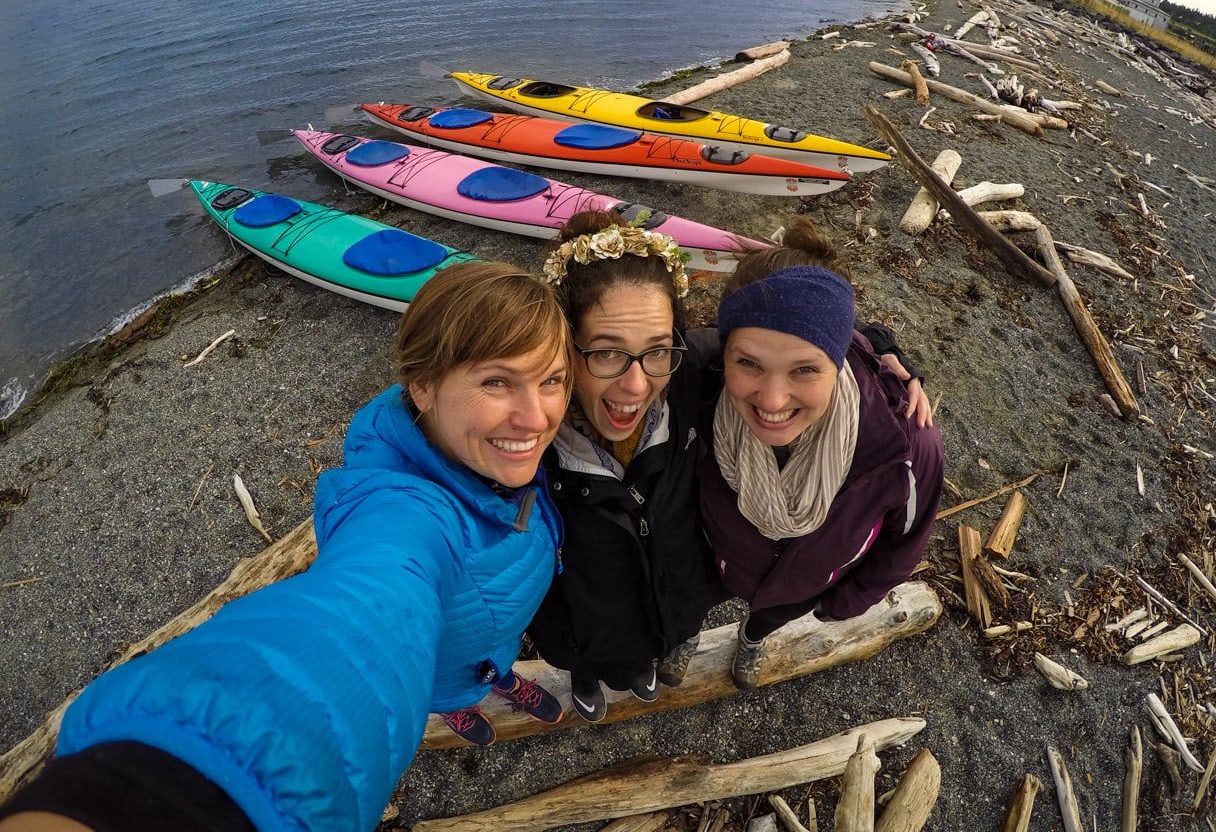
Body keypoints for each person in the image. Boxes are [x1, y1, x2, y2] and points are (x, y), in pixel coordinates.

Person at [0, 261, 571, 832]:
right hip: (436, 669)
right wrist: (179, 777)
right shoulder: (402, 513)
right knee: (451, 691)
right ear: (421, 387)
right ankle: (457, 705)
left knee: (491, 665)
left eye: (551, 380)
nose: (536, 416)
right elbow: (363, 612)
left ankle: (499, 680)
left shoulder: (500, 449)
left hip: (487, 640)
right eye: (496, 381)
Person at [696, 219, 943, 691]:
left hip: (809, 584)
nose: (771, 401)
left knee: (768, 616)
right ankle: (686, 635)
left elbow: (905, 541)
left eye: (805, 370)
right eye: (748, 363)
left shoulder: (907, 444)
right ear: (724, 351)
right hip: (717, 558)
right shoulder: (699, 390)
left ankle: (752, 636)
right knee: (695, 602)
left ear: (841, 358)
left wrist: (843, 603)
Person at [526, 211, 725, 722]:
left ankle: (642, 665)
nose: (636, 387)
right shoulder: (523, 441)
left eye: (656, 350)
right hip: (577, 621)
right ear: (564, 346)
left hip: (668, 599)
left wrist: (878, 350)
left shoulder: (689, 375)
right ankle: (583, 677)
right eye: (608, 354)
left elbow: (785, 334)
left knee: (642, 658)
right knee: (586, 659)